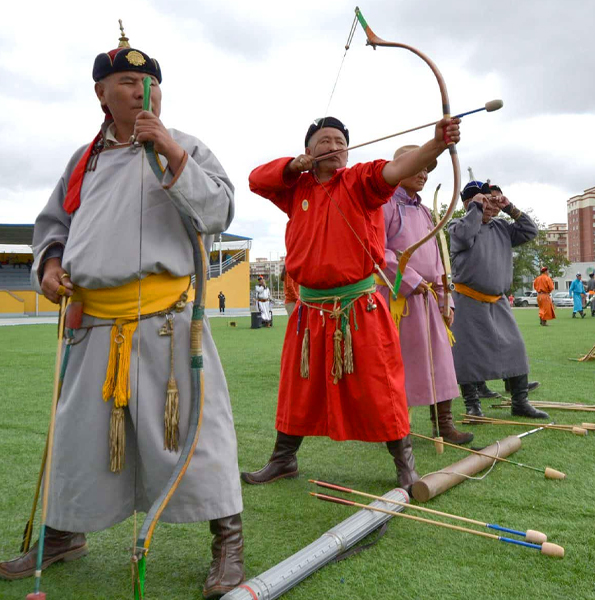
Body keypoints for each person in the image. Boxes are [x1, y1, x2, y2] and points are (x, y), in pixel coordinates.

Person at [0, 27, 244, 598]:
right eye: (129, 82)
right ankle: (62, 534)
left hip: (168, 322)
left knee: (195, 435)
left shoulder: (186, 146)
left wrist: (172, 153)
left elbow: (220, 210)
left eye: (151, 83)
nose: (142, 92)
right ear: (101, 93)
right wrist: (50, 266)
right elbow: (53, 227)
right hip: (93, 325)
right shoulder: (82, 162)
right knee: (78, 439)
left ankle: (227, 542)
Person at [242, 114, 461, 490]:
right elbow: (255, 180)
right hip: (311, 311)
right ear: (308, 151)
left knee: (380, 385)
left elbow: (395, 170)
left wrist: (436, 144)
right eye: (323, 141)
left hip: (359, 306)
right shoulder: (295, 188)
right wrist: (291, 168)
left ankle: (405, 463)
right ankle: (283, 459)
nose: (333, 147)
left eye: (339, 141)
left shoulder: (362, 181)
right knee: (298, 385)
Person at [377, 145, 472, 445]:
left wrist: (446, 298)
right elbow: (378, 251)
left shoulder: (424, 210)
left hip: (429, 298)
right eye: (417, 167)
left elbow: (438, 258)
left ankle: (443, 424)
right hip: (398, 301)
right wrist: (410, 279)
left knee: (441, 361)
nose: (422, 174)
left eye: (427, 169)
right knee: (397, 365)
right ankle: (395, 430)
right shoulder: (385, 205)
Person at [449, 181, 548, 419]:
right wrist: (476, 209)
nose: (492, 205)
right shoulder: (458, 225)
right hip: (467, 300)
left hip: (498, 301)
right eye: (487, 200)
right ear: (469, 203)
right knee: (468, 354)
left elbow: (529, 231)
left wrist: (509, 207)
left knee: (515, 347)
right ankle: (473, 406)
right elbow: (464, 236)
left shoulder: (501, 227)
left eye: (495, 201)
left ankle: (520, 402)